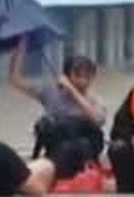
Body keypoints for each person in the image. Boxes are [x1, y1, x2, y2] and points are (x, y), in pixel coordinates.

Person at [8, 36, 107, 180]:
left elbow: (98, 120)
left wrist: (73, 92)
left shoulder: (94, 99)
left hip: (84, 153)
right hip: (57, 151)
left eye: (88, 76)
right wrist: (21, 49)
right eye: (78, 75)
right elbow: (15, 80)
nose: (83, 81)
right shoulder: (50, 92)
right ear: (67, 76)